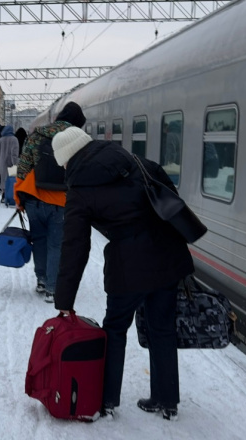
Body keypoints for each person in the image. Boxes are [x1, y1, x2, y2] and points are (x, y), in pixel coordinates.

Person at [51, 126, 194, 421]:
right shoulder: (130, 158)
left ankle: (107, 400)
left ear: (68, 157)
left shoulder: (79, 188)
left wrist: (64, 298)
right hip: (167, 252)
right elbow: (169, 193)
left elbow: (74, 246)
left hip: (128, 265)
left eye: (62, 162)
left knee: (115, 329)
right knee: (162, 328)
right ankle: (167, 401)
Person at [14, 102, 86, 300]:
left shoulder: (37, 135)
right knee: (56, 244)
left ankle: (41, 280)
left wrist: (19, 197)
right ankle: (53, 288)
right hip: (62, 202)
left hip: (34, 199)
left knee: (39, 240)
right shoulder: (78, 139)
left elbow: (23, 169)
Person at [0, 124, 19, 194]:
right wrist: (15, 163)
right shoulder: (14, 139)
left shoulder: (0, 140)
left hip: (2, 162)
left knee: (3, 179)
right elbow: (14, 153)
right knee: (12, 179)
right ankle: (11, 194)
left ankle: (4, 194)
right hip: (11, 163)